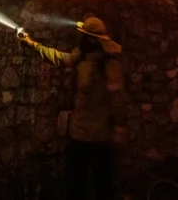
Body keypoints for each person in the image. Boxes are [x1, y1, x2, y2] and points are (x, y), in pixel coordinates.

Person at [18, 17, 125, 200]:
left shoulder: (108, 66)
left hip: (98, 139)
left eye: (84, 36)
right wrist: (31, 44)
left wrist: (118, 127)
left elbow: (117, 100)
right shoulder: (81, 60)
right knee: (81, 187)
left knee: (100, 187)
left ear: (91, 40)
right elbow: (57, 57)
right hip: (80, 137)